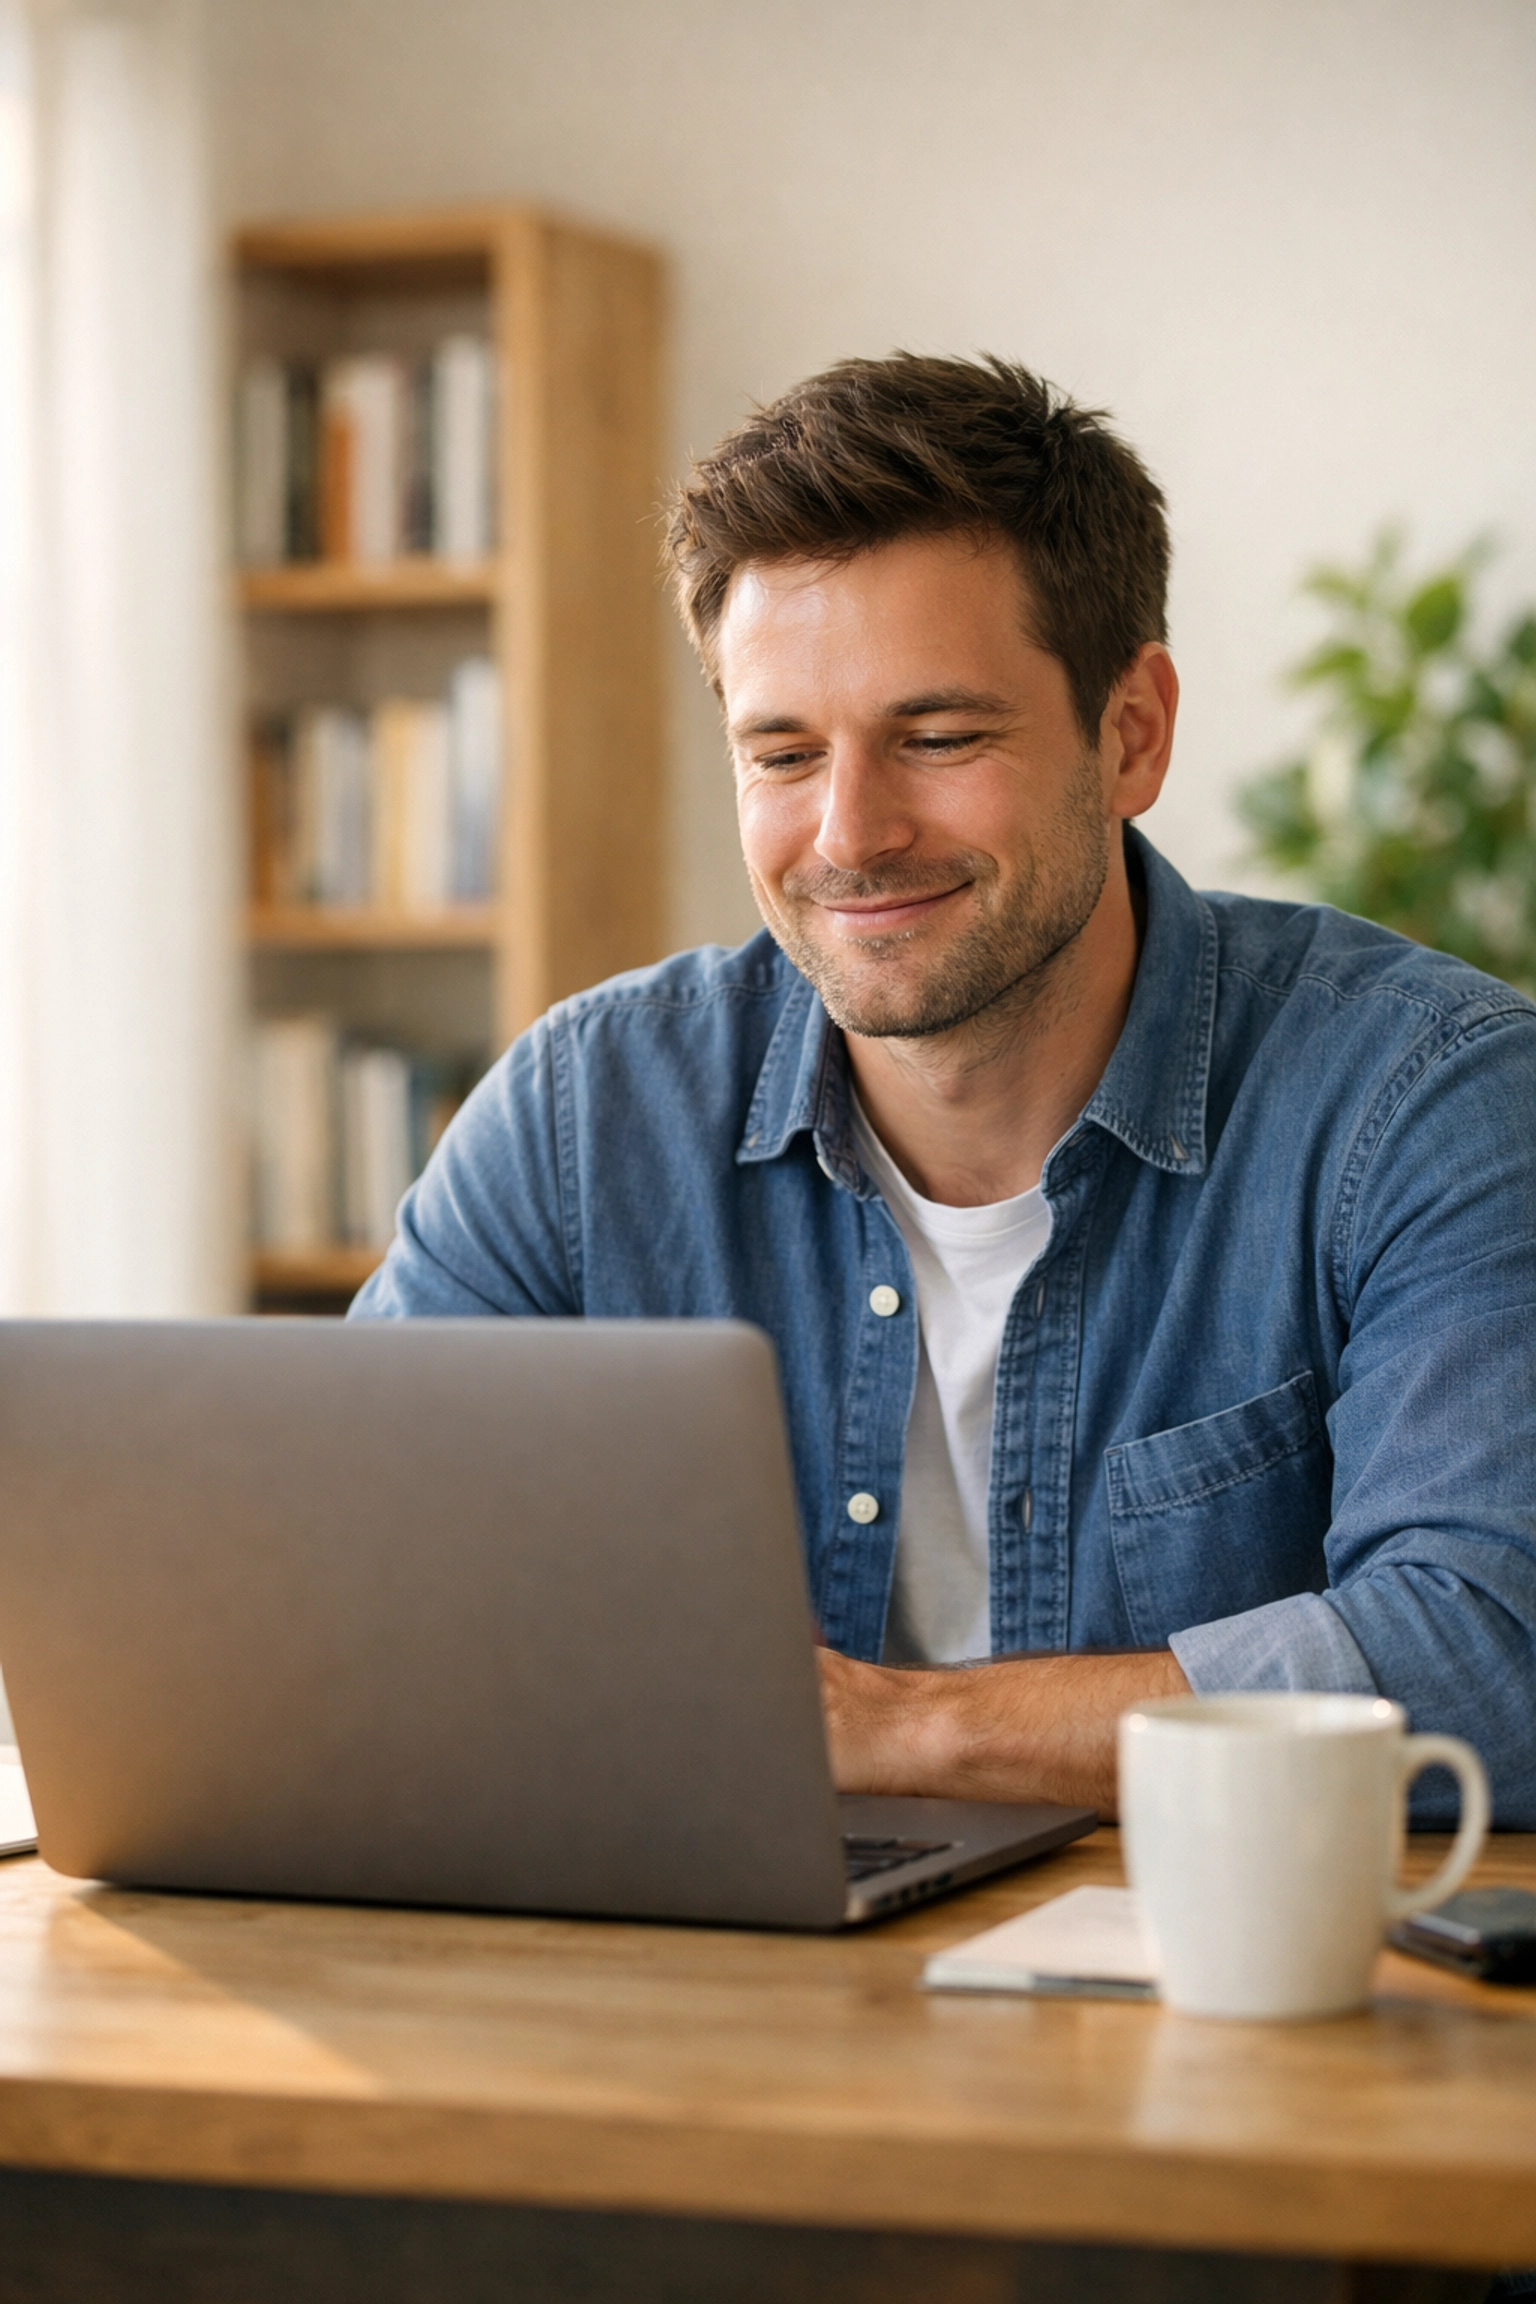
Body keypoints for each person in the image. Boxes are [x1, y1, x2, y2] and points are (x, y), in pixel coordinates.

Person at [353, 353, 1536, 1825]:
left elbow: (1494, 1652)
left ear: (1132, 734)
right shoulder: (584, 1113)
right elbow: (357, 1590)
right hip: (703, 1988)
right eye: (782, 752)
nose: (851, 834)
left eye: (939, 737)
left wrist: (888, 1733)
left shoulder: (1430, 1099)